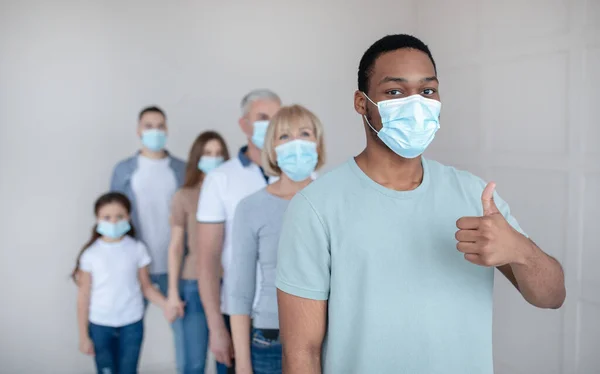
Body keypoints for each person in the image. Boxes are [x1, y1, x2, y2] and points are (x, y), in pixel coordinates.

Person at [275, 34, 567, 374]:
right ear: (361, 102)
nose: (416, 104)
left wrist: (521, 250)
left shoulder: (475, 195)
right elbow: (301, 354)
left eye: (427, 91)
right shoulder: (315, 207)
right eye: (395, 92)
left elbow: (552, 297)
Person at [227, 105, 326, 374]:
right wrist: (243, 365)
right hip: (271, 341)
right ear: (272, 147)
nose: (295, 143)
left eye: (304, 133)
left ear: (317, 143)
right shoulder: (251, 207)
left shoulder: (334, 199)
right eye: (284, 137)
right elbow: (239, 291)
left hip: (328, 341)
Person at [196, 89, 281, 373]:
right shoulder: (220, 179)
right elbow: (207, 261)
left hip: (291, 314)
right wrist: (217, 328)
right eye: (262, 118)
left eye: (277, 117)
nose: (271, 124)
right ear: (244, 124)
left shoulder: (303, 175)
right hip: (239, 316)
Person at [74, 192, 174, 374]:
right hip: (100, 325)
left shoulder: (137, 249)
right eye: (107, 217)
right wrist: (83, 336)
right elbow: (83, 297)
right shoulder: (91, 255)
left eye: (119, 216)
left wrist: (167, 305)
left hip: (132, 323)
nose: (113, 222)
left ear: (128, 217)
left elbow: (147, 287)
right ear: (97, 219)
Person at [166, 131, 230, 374]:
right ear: (197, 158)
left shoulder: (233, 191)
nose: (213, 159)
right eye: (207, 154)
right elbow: (176, 246)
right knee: (193, 363)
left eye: (218, 154)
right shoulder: (184, 196)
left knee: (228, 359)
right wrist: (172, 293)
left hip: (229, 282)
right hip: (193, 282)